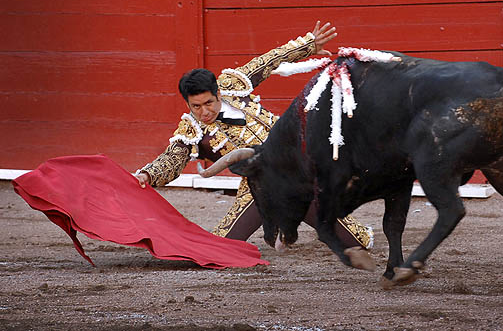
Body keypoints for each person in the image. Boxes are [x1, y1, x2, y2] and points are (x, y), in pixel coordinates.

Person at [134, 21, 373, 250]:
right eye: (196, 106)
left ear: (218, 93)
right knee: (220, 248)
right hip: (259, 185)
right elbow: (172, 158)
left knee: (356, 242)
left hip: (300, 166)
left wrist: (308, 45)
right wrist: (148, 174)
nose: (204, 112)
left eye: (208, 103)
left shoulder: (233, 84)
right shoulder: (192, 130)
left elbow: (268, 61)